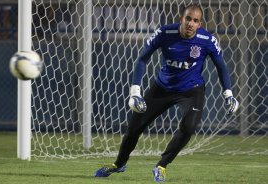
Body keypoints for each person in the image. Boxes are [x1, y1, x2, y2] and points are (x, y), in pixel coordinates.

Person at [94, 4, 239, 183]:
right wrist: (135, 92)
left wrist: (228, 93)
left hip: (191, 91)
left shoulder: (207, 40)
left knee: (189, 127)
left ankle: (161, 165)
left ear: (199, 24)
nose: (190, 24)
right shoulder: (165, 33)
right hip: (162, 88)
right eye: (188, 19)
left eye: (195, 21)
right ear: (181, 19)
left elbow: (221, 66)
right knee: (134, 127)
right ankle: (119, 164)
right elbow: (142, 59)